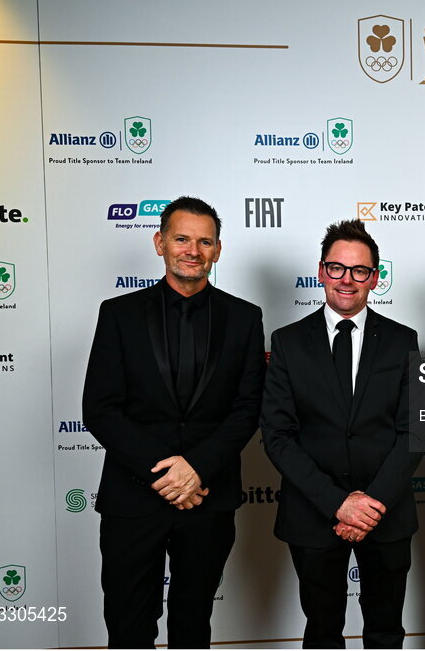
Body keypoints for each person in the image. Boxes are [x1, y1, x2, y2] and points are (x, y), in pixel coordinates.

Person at [83, 196, 265, 648]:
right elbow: (101, 408)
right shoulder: (118, 313)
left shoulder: (245, 318)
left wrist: (197, 468)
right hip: (133, 497)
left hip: (208, 497)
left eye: (205, 242)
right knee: (128, 626)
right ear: (159, 242)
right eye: (182, 239)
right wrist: (168, 474)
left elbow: (248, 408)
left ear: (218, 250)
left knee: (193, 624)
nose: (193, 251)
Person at [261, 219, 423, 648]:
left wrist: (370, 505)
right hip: (314, 514)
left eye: (359, 270)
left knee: (386, 631)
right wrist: (338, 504)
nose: (346, 279)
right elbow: (277, 435)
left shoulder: (402, 340)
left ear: (375, 277)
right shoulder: (288, 342)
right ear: (321, 271)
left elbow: (414, 431)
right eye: (337, 268)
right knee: (322, 630)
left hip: (386, 514)